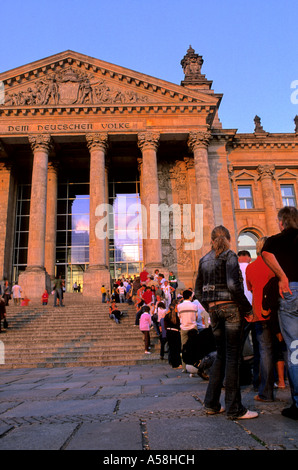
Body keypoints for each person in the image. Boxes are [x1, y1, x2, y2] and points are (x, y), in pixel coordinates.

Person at [195, 225, 258, 419]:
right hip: (231, 309)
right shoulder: (230, 256)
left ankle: (211, 403)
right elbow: (233, 285)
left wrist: (211, 308)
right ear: (229, 239)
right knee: (232, 356)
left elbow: (198, 292)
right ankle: (234, 408)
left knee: (221, 355)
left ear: (211, 240)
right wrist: (248, 309)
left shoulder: (203, 259)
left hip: (214, 310)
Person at [262, 206, 298, 420]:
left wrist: (282, 276)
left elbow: (265, 252)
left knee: (294, 348)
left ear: (282, 222)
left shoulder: (276, 240)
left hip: (290, 291)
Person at [246, 237, 276, 402]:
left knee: (264, 351)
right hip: (276, 313)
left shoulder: (251, 267)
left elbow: (250, 288)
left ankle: (265, 392)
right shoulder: (274, 265)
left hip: (259, 312)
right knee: (286, 350)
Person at [177, 289, 199, 371]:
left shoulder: (179, 306)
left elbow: (179, 316)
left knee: (184, 347)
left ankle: (184, 367)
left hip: (184, 327)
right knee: (195, 346)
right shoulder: (194, 305)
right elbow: (196, 317)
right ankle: (194, 364)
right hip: (193, 326)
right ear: (190, 297)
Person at [164, 301, 182, 368]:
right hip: (176, 332)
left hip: (169, 332)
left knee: (171, 348)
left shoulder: (166, 316)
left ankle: (172, 362)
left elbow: (165, 326)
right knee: (177, 348)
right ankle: (177, 363)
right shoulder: (177, 316)